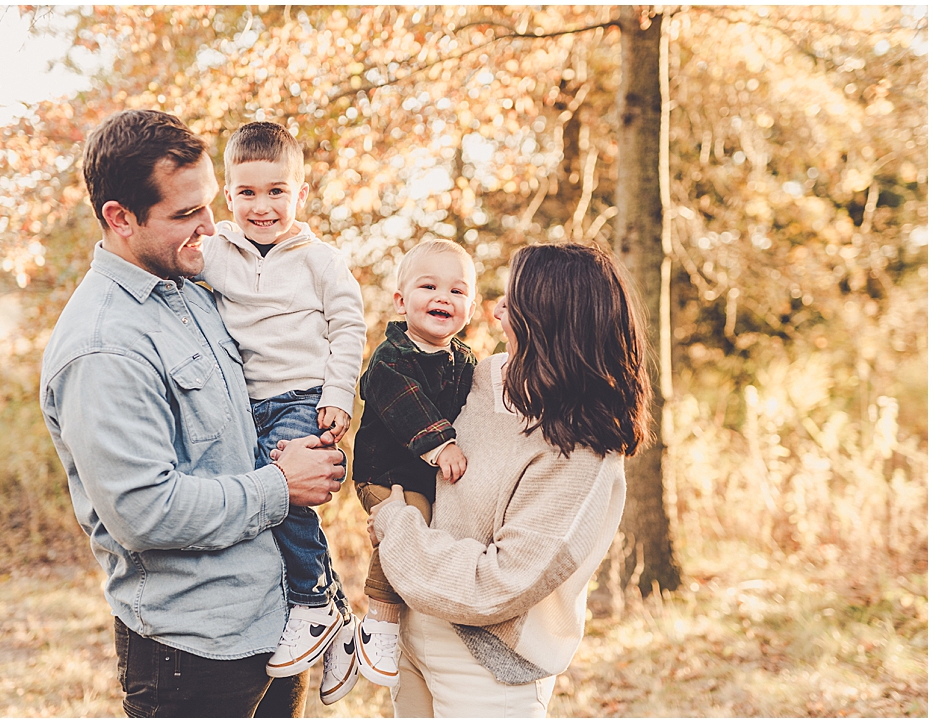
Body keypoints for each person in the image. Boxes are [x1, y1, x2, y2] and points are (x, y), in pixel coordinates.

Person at [39, 109, 346, 717]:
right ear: (120, 218)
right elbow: (144, 512)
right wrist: (282, 487)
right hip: (192, 657)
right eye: (185, 214)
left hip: (273, 629)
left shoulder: (192, 288)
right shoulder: (103, 347)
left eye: (209, 204)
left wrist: (319, 423)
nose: (211, 226)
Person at [367, 242, 652, 717]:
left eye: (512, 302)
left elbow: (498, 583)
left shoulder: (582, 452)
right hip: (414, 632)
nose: (497, 311)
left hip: (486, 668)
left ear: (546, 321)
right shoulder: (486, 376)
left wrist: (396, 527)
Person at [195, 121, 367, 704]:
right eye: (246, 193)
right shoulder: (216, 250)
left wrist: (338, 397)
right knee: (257, 504)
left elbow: (348, 329)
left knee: (286, 492)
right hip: (244, 406)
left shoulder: (320, 260)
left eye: (276, 191)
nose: (262, 206)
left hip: (302, 397)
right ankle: (336, 613)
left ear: (300, 192)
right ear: (226, 193)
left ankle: (314, 602)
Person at [351, 239, 478, 688]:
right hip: (382, 474)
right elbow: (409, 408)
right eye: (429, 286)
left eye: (458, 291)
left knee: (424, 527)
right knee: (408, 521)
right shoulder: (392, 357)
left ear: (471, 308)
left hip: (424, 479)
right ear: (402, 302)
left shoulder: (465, 361)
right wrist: (443, 446)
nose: (443, 297)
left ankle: (369, 638)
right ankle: (378, 624)